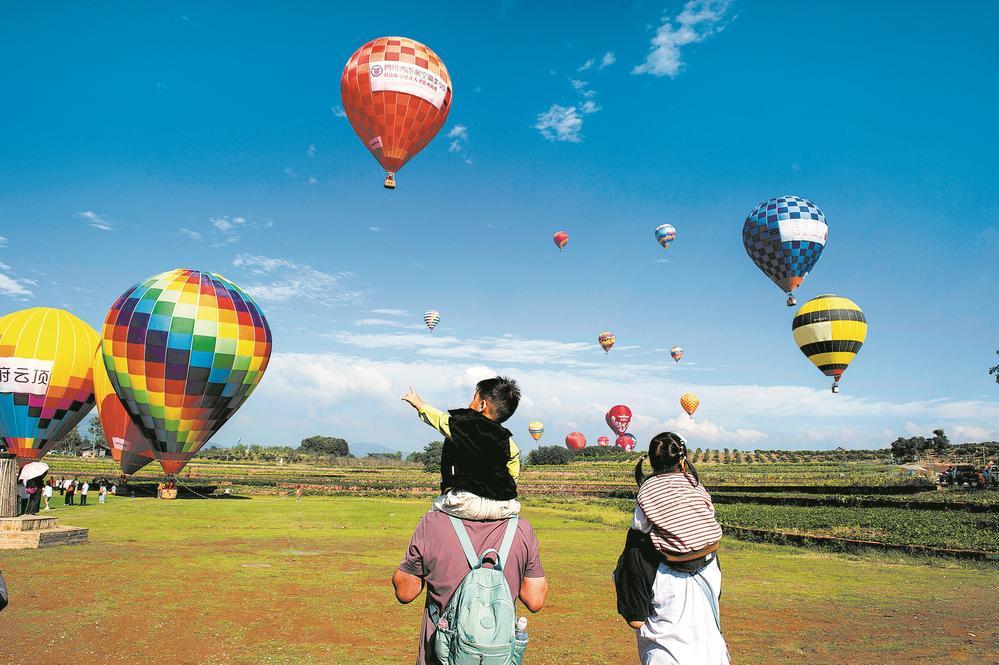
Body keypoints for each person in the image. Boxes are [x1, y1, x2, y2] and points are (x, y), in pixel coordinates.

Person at [618, 432, 728, 665]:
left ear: (651, 460)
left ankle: (634, 607)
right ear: (682, 459)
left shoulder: (648, 491)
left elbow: (639, 527)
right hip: (714, 654)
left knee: (634, 542)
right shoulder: (695, 485)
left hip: (666, 655)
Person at [392, 506, 548, 664]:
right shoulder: (521, 528)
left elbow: (405, 593)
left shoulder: (432, 524)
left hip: (439, 656)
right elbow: (535, 600)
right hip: (498, 656)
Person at [401, 376, 522, 520]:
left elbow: (441, 420)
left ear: (482, 405)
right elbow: (513, 472)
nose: (470, 403)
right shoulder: (508, 441)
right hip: (503, 505)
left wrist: (420, 405)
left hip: (465, 502)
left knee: (430, 517)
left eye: (474, 399)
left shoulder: (465, 426)